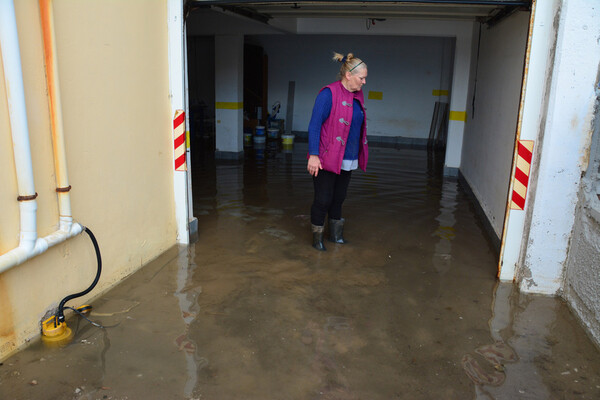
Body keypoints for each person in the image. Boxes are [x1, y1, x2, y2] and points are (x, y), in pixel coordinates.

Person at [307, 52, 369, 251]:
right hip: (326, 157)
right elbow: (315, 125)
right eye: (362, 78)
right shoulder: (328, 94)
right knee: (323, 198)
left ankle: (335, 236)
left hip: (347, 157)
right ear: (348, 75)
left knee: (339, 197)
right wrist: (313, 155)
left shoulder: (357, 95)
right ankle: (317, 240)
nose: (364, 82)